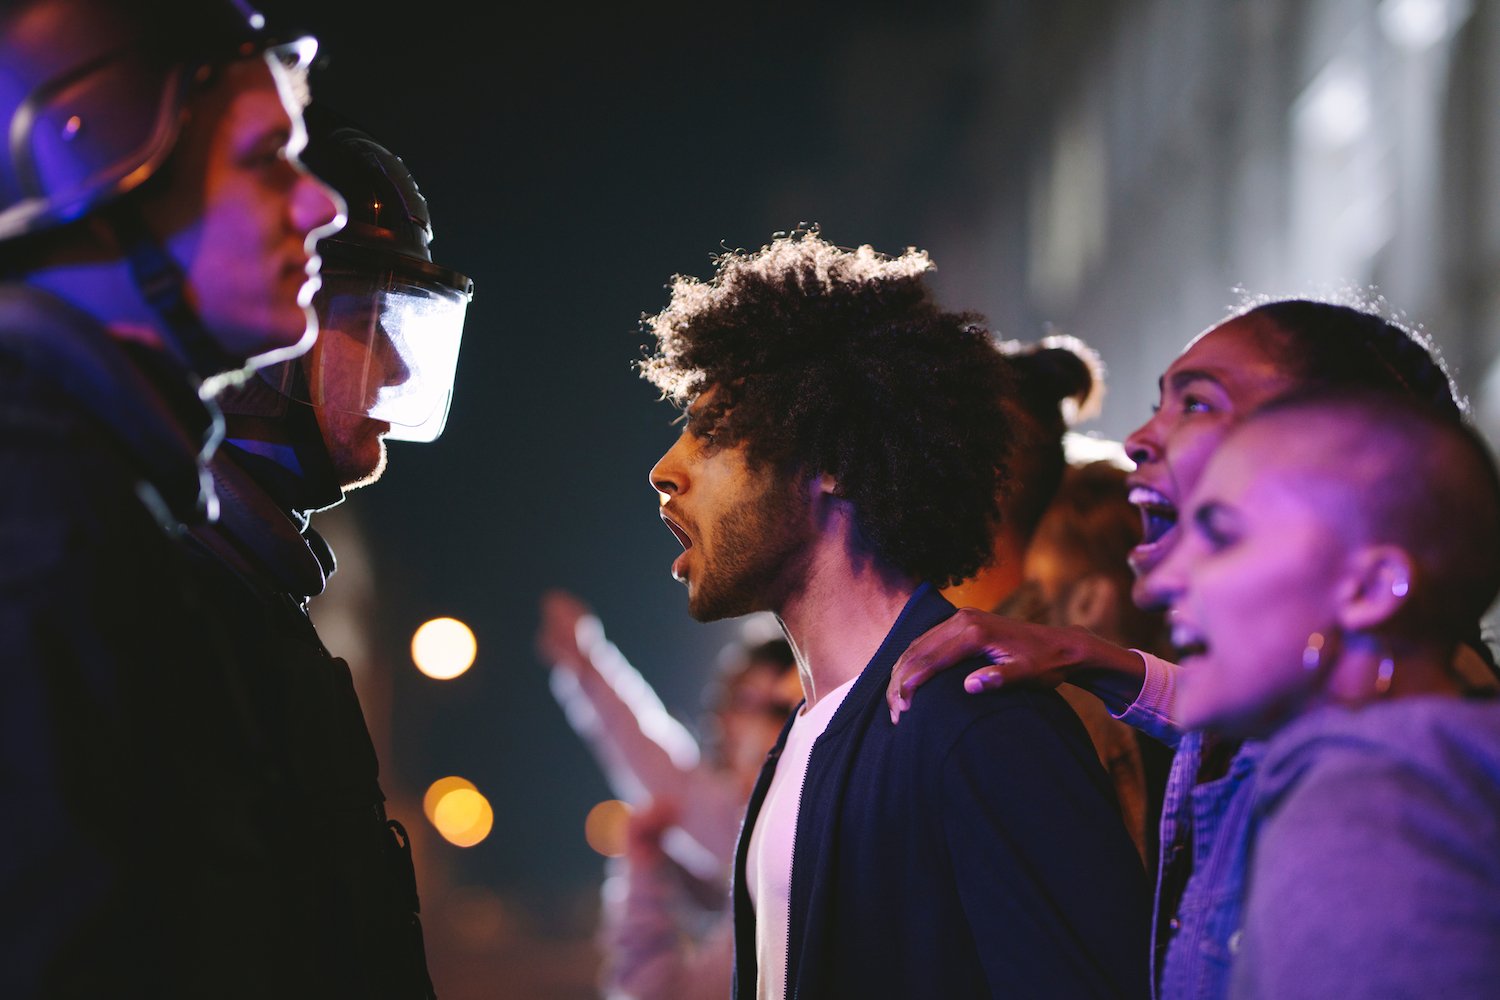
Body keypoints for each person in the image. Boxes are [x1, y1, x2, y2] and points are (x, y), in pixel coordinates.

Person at [885, 298, 1488, 1000]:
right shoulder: (1324, 740)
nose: (1140, 438)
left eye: (1224, 534)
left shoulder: (1377, 825)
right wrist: (1096, 660)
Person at [641, 230, 1150, 999]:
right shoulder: (804, 738)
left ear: (831, 458)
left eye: (713, 432)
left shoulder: (979, 721)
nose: (666, 470)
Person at [0, 1, 350, 994]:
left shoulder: (95, 492)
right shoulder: (40, 527)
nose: (321, 204)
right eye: (266, 157)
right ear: (97, 172)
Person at [194, 109, 473, 997]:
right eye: (369, 318)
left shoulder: (247, 594)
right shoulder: (168, 611)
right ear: (262, 329)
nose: (395, 369)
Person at [1145, 390, 1500, 999]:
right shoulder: (1421, 783)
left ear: (1371, 588)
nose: (1161, 582)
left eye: (1222, 537)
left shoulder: (1368, 823)